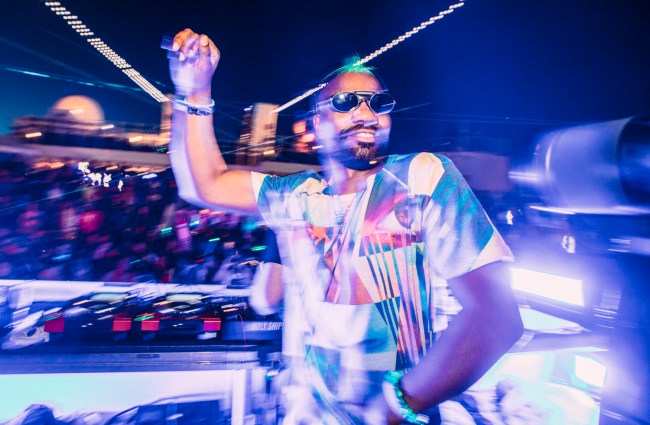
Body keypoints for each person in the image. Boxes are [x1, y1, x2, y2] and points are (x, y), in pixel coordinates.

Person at [167, 29, 523, 424]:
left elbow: (496, 317)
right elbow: (203, 183)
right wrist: (194, 90)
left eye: (378, 103)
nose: (367, 114)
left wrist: (395, 406)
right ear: (315, 122)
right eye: (345, 102)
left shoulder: (422, 177)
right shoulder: (297, 195)